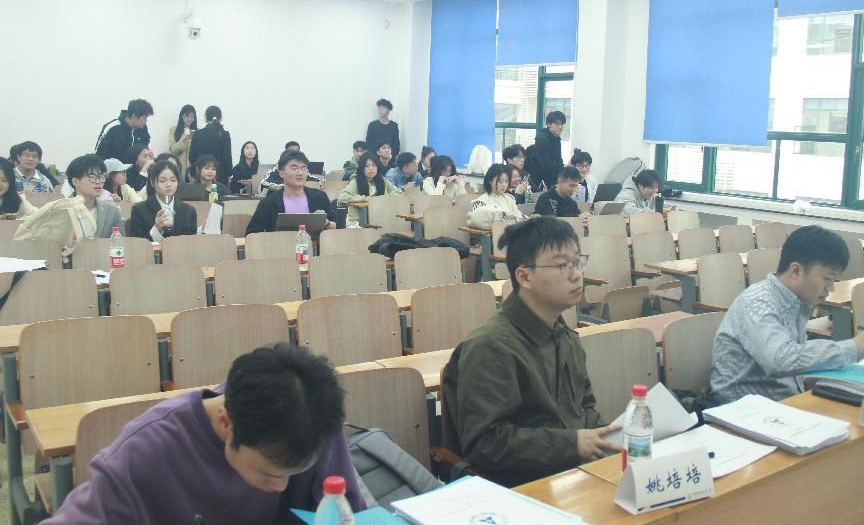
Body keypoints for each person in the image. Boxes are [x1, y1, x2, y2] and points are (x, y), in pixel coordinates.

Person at [41, 344, 365, 524]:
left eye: (294, 473)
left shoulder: (312, 421)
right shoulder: (144, 452)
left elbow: (349, 513)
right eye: (268, 474)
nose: (280, 488)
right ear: (226, 423)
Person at [442, 217, 619, 487]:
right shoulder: (490, 346)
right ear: (524, 276)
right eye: (562, 266)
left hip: (571, 475)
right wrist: (572, 444)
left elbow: (584, 409)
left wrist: (613, 436)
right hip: (518, 488)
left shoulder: (565, 336)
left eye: (577, 262)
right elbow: (485, 444)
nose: (576, 274)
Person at [709, 226, 864, 405]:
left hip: (780, 401)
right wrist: (855, 347)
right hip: (740, 408)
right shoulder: (758, 302)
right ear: (796, 271)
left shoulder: (797, 300)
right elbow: (779, 360)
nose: (831, 288)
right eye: (827, 278)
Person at [246, 151, 335, 234]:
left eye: (303, 168)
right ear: (281, 173)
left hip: (315, 245)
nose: (300, 173)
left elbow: (338, 227)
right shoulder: (268, 203)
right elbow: (252, 233)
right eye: (294, 168)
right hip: (280, 245)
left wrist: (326, 223)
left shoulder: (319, 197)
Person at [129, 160, 197, 241]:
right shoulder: (139, 210)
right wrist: (156, 230)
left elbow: (191, 242)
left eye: (173, 180)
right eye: (162, 181)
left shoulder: (188, 210)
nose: (168, 185)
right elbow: (137, 244)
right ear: (152, 182)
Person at [66, 154, 125, 238]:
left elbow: (120, 242)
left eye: (101, 177)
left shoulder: (111, 211)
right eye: (92, 177)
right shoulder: (61, 210)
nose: (98, 182)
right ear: (76, 181)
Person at [337, 153, 402, 226]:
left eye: (374, 165)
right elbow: (342, 197)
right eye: (367, 166)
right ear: (362, 168)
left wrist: (384, 198)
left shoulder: (383, 180)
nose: (371, 168)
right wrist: (364, 199)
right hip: (357, 221)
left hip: (380, 218)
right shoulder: (355, 181)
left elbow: (400, 194)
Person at [466, 164, 526, 231]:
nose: (504, 185)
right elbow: (479, 223)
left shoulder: (510, 199)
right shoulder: (481, 202)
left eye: (506, 181)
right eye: (500, 181)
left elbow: (520, 217)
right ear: (490, 181)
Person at [95, 98, 154, 163]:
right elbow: (98, 157)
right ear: (134, 116)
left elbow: (144, 148)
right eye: (144, 118)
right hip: (114, 168)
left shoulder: (142, 128)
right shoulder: (112, 128)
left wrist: (149, 155)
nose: (146, 121)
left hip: (137, 169)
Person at [190, 105, 232, 185]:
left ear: (206, 118)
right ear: (220, 118)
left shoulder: (197, 134)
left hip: (201, 175)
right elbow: (227, 158)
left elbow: (192, 157)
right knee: (219, 193)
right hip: (220, 176)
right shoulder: (225, 134)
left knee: (200, 193)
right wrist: (229, 175)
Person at [525, 111, 566, 191]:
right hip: (539, 180)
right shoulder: (542, 139)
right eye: (557, 124)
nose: (560, 127)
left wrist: (563, 167)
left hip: (551, 178)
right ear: (549, 124)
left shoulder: (557, 139)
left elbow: (558, 159)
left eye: (562, 124)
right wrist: (562, 167)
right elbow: (546, 164)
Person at [168, 104, 197, 175]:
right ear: (182, 116)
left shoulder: (197, 132)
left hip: (193, 168)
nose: (190, 119)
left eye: (192, 117)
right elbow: (173, 150)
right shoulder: (173, 130)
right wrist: (183, 138)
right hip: (179, 168)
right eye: (187, 116)